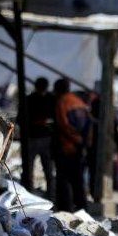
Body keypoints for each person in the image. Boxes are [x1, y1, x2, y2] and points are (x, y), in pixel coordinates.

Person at [53, 78, 89, 212]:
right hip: (79, 147)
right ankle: (82, 207)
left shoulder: (62, 102)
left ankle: (65, 209)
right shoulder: (78, 101)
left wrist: (75, 139)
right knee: (78, 179)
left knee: (63, 180)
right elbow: (87, 123)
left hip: (68, 147)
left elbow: (63, 125)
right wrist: (83, 142)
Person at [20, 77, 56, 198]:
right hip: (39, 137)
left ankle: (30, 193)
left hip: (37, 138)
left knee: (37, 168)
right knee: (44, 168)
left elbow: (21, 119)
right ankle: (39, 193)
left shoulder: (30, 99)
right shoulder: (46, 99)